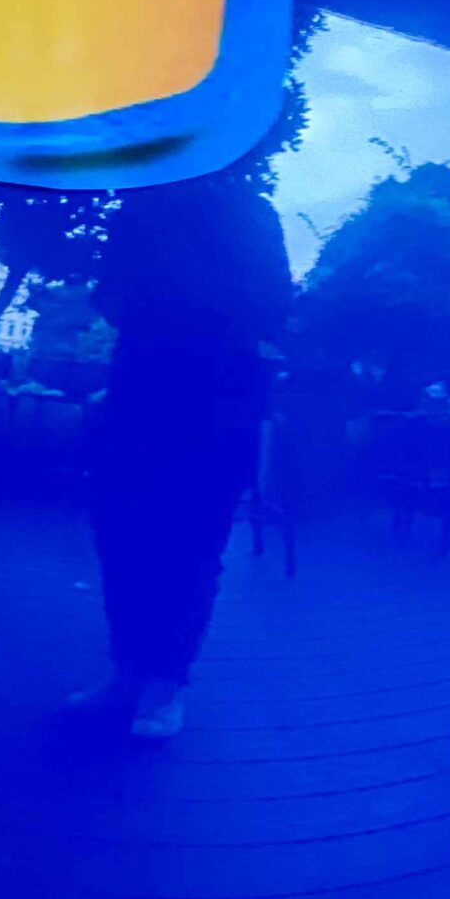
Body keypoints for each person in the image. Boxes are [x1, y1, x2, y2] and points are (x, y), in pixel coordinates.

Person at [78, 175, 294, 738]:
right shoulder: (141, 206)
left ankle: (166, 681)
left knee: (191, 543)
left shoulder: (250, 213)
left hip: (215, 403)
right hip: (142, 392)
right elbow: (108, 296)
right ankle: (130, 672)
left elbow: (273, 306)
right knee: (121, 535)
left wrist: (168, 297)